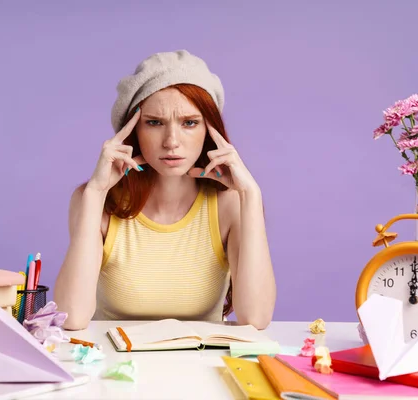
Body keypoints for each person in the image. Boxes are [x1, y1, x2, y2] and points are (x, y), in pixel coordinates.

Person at [54, 50, 276, 330]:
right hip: (112, 367)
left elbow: (255, 319)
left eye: (189, 123)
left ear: (210, 131)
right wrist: (96, 193)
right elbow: (70, 317)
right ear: (133, 130)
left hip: (201, 367)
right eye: (155, 123)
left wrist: (250, 195)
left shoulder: (229, 204)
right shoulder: (95, 200)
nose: (172, 141)